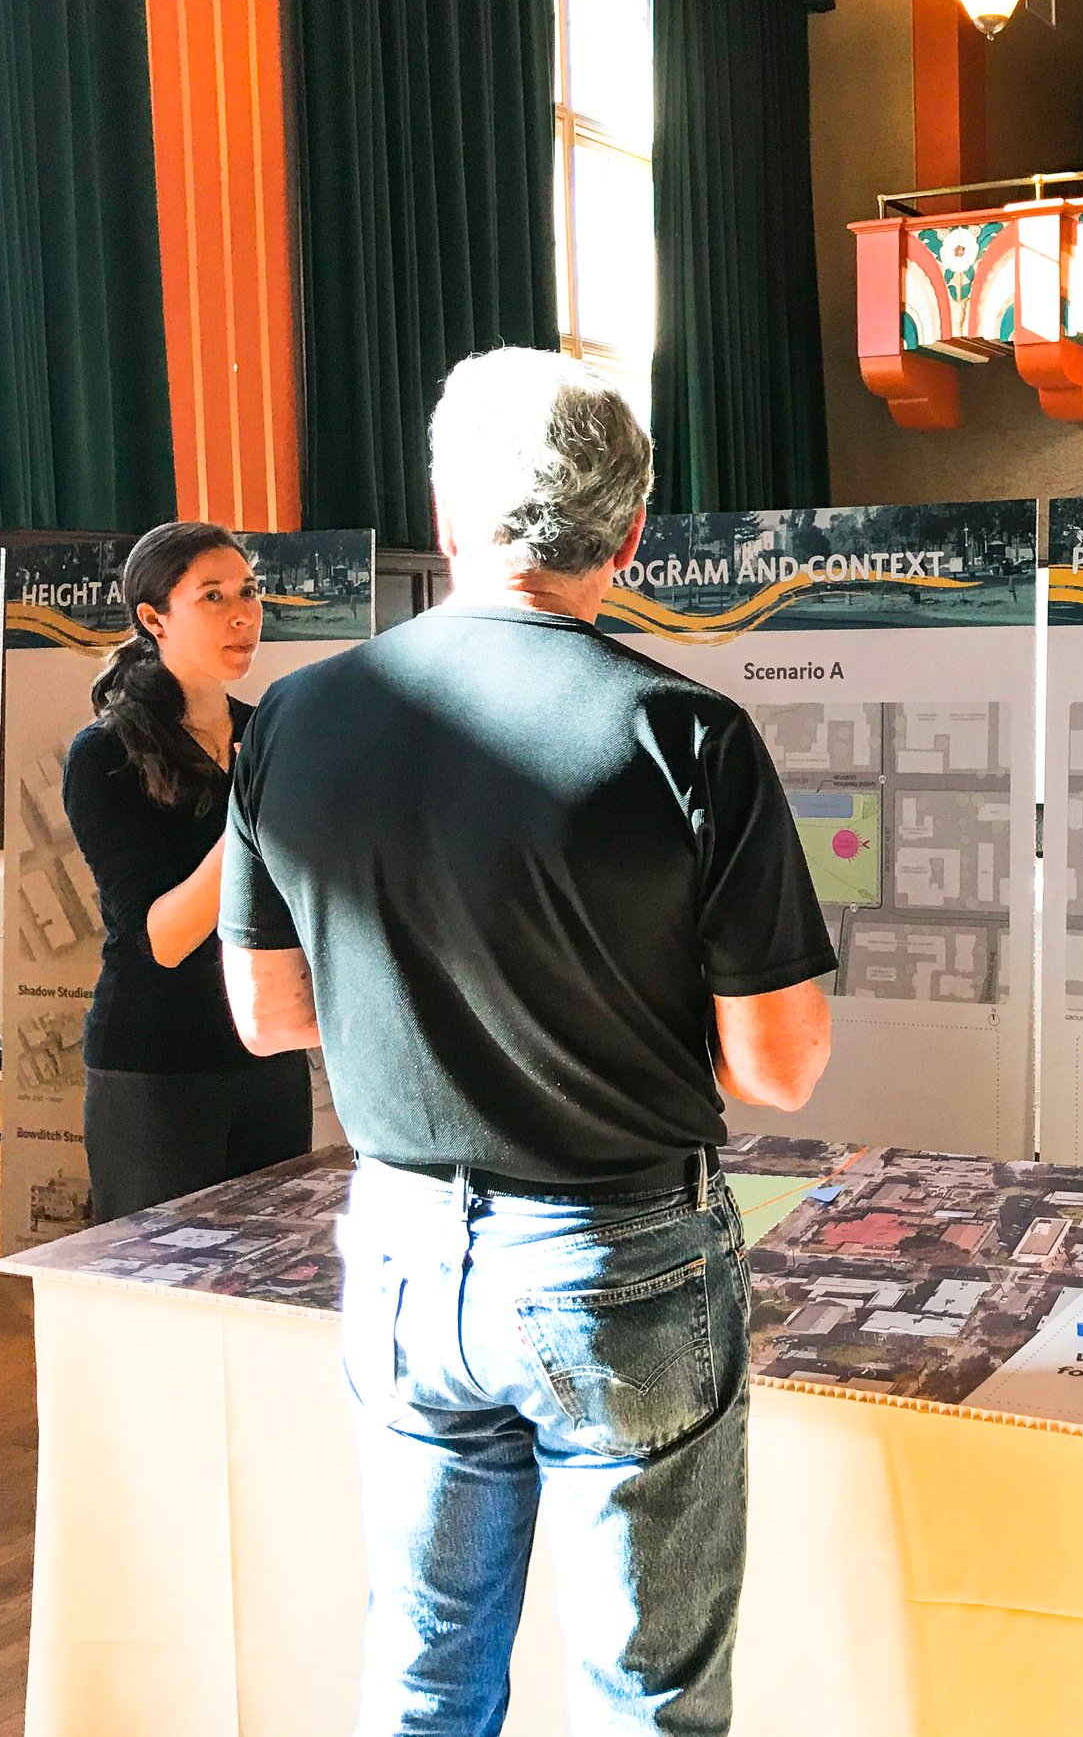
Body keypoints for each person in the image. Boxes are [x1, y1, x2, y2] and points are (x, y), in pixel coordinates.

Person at [219, 348, 834, 1737]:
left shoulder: (298, 717)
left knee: (424, 1676)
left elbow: (267, 1016)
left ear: (446, 512)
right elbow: (780, 1065)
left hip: (400, 1247)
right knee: (642, 1696)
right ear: (630, 535)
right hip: (618, 1253)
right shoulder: (687, 732)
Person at [63, 523, 312, 1222]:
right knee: (158, 1277)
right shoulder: (104, 754)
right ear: (153, 618)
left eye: (249, 592)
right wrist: (249, 814)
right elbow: (165, 939)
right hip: (157, 1064)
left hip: (269, 1046)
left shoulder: (269, 732)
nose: (242, 614)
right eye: (212, 596)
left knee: (273, 1267)